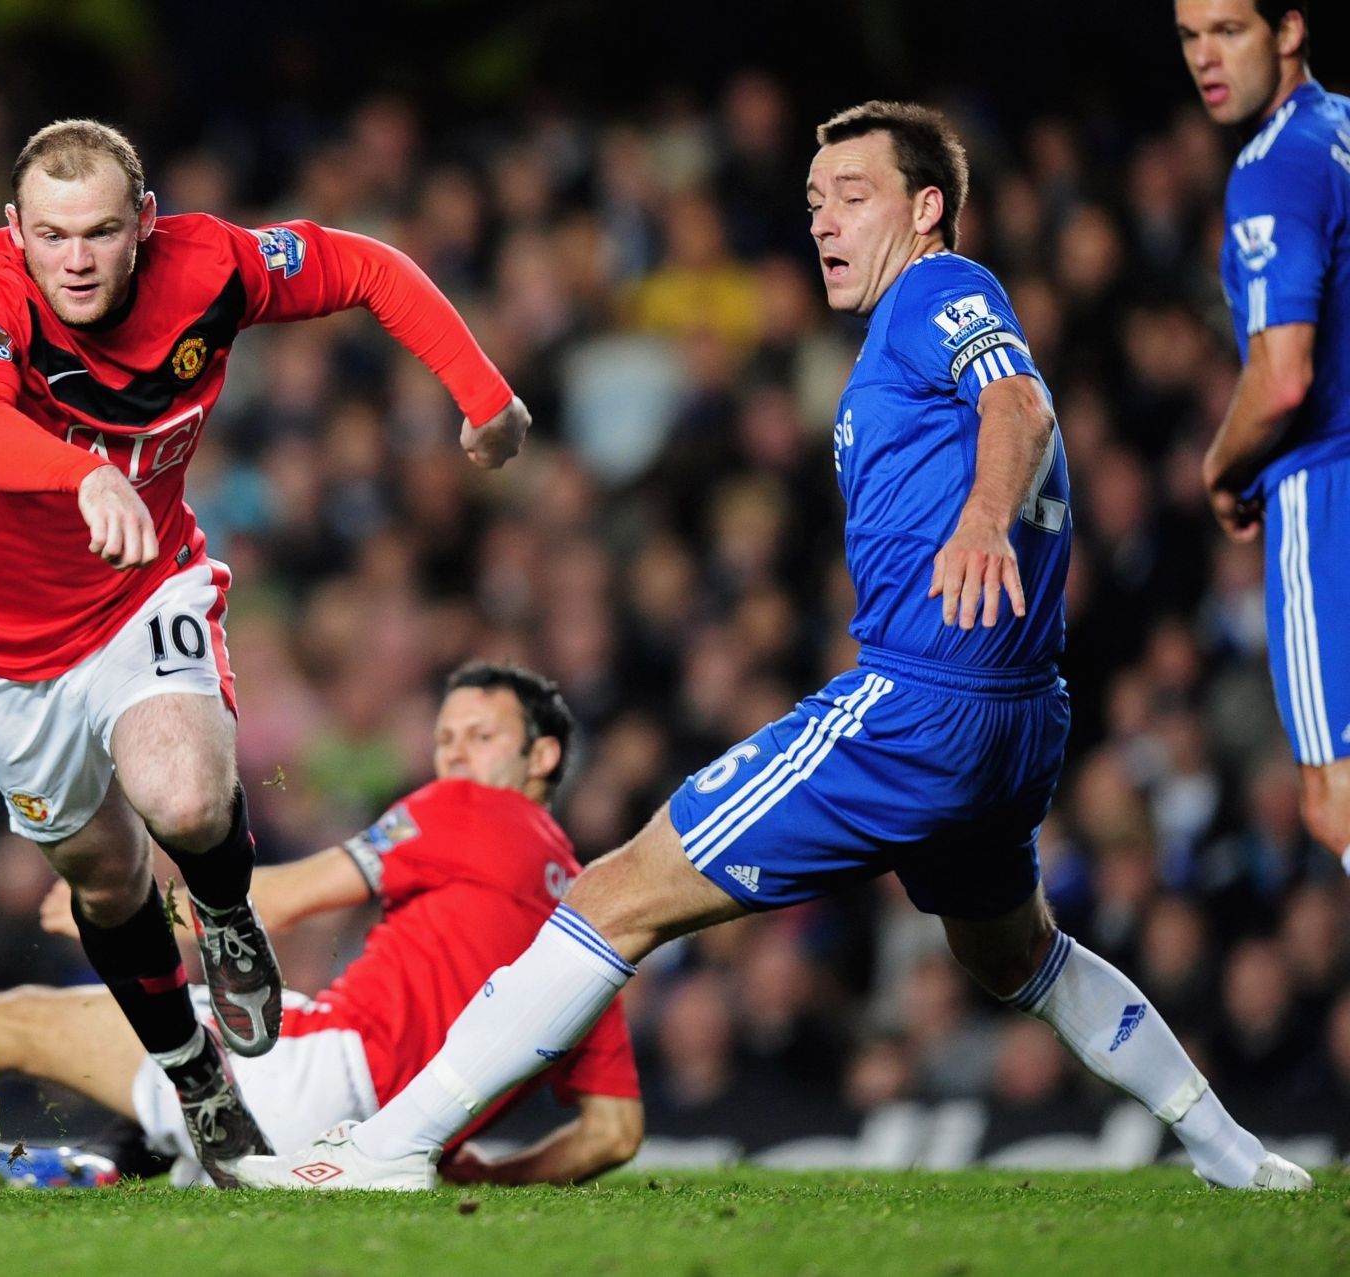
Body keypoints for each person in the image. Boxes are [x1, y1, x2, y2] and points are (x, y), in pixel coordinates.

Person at [232, 102, 1313, 1192]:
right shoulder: (897, 335)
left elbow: (1022, 408)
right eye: (812, 203)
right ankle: (1235, 1155)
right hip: (1016, 713)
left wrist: (985, 518)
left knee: (611, 896)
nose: (825, 222)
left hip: (919, 701)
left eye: (854, 196)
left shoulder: (944, 288)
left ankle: (386, 1148)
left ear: (927, 208)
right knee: (1014, 954)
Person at [0, 118, 531, 1181]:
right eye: (52, 236)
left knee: (184, 797)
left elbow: (366, 264)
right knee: (104, 880)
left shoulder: (211, 265)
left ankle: (229, 914)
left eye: (101, 231)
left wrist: (483, 393)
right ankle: (194, 1075)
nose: (79, 258)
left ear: (144, 223)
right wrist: (81, 472)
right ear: (16, 230)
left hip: (143, 590)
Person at [0, 663, 641, 1189]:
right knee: (185, 1047)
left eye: (481, 734)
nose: (453, 752)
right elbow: (610, 1132)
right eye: (445, 734)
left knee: (18, 1016)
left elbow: (275, 898)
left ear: (543, 755)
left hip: (318, 1071)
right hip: (362, 1133)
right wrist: (457, 1165)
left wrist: (127, 912)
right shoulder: (595, 915)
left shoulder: (471, 809)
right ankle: (119, 1165)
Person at [1177, 0, 1350, 877]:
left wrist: (1219, 465)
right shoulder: (1343, 132)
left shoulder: (1273, 167)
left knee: (1335, 797)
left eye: (1229, 30)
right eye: (1189, 36)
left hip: (1325, 495)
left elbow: (1283, 377)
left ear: (1289, 29)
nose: (1205, 56)